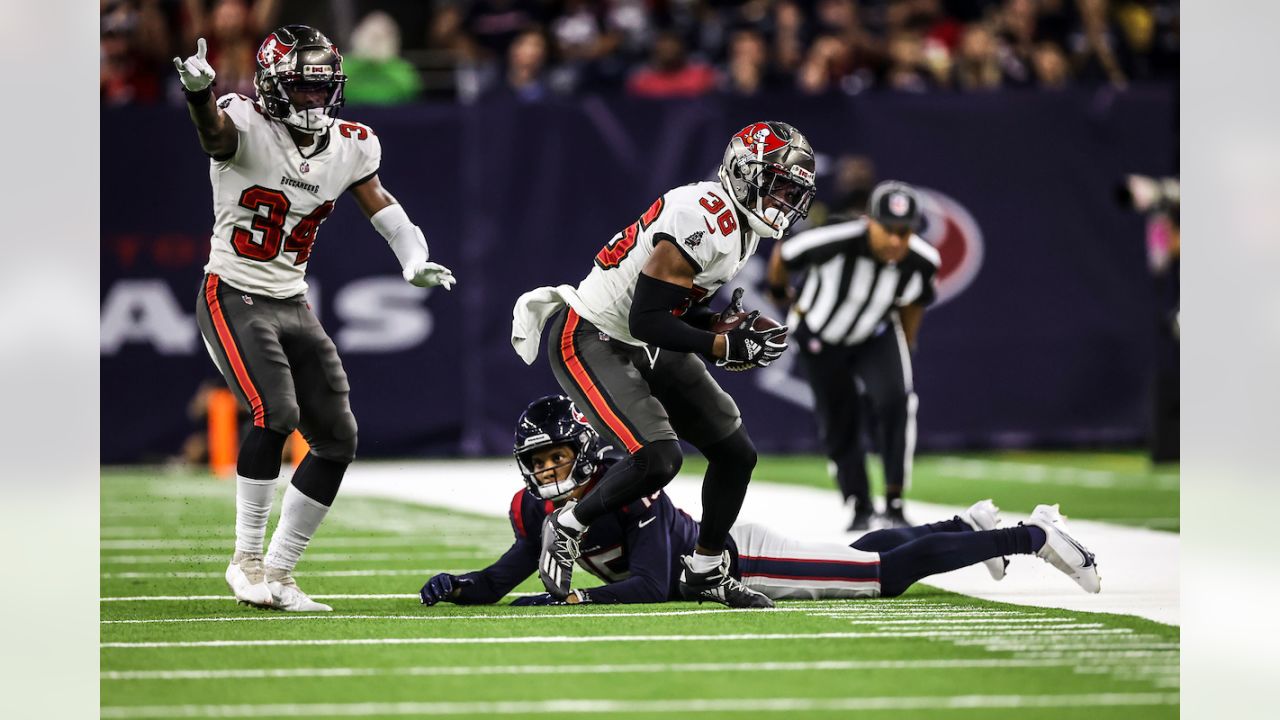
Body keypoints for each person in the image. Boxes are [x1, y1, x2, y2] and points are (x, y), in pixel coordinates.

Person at [174, 25, 456, 611]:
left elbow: (385, 207)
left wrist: (414, 259)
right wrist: (200, 95)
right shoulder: (243, 122)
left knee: (337, 439)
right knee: (274, 413)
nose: (314, 100)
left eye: (322, 89)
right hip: (233, 291)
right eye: (302, 89)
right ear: (275, 88)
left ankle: (279, 572)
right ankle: (246, 559)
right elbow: (216, 136)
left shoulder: (351, 144)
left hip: (291, 298)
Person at [510, 122, 815, 608]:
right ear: (743, 173)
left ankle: (706, 570)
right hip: (592, 333)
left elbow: (673, 308)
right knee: (658, 458)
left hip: (638, 334)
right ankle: (568, 524)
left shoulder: (740, 226)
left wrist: (719, 324)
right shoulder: (702, 217)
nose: (782, 200)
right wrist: (720, 347)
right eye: (776, 185)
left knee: (736, 453)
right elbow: (647, 317)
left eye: (790, 191)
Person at [418, 396, 1101, 607]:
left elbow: (656, 585)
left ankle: (1030, 536)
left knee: (880, 577)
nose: (545, 473)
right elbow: (509, 572)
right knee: (855, 555)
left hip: (744, 564)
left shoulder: (628, 491)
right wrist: (462, 587)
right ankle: (966, 524)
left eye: (555, 458)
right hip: (726, 558)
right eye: (536, 463)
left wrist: (572, 600)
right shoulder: (537, 510)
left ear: (583, 450)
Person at [767, 181, 938, 531]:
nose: (895, 241)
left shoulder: (922, 260)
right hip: (820, 336)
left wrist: (907, 343)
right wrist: (781, 297)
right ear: (869, 222)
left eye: (904, 233)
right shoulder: (834, 241)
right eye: (888, 229)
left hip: (873, 334)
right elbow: (783, 257)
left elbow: (915, 301)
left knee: (896, 401)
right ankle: (859, 503)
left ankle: (894, 503)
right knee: (839, 418)